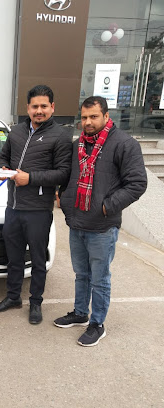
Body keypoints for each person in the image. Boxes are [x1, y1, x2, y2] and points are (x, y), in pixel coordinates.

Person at [54, 96, 147, 346]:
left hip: (102, 226)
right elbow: (69, 176)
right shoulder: (78, 145)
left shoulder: (124, 144)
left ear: (106, 116)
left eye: (94, 116)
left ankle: (97, 324)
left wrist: (107, 206)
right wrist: (64, 197)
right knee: (81, 273)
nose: (88, 122)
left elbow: (137, 183)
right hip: (77, 221)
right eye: (84, 117)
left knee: (100, 278)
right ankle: (80, 313)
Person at [0, 85, 72, 324]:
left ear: (52, 107)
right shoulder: (16, 131)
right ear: (27, 107)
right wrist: (3, 167)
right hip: (13, 207)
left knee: (37, 260)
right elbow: (3, 156)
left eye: (44, 106)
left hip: (38, 210)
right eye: (35, 106)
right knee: (14, 258)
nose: (39, 111)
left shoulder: (60, 136)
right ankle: (13, 297)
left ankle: (36, 302)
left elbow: (63, 173)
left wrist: (31, 178)